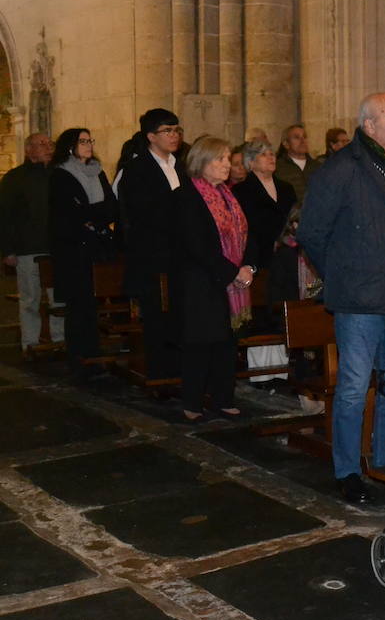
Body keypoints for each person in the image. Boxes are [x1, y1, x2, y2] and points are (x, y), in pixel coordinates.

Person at [297, 93, 385, 505]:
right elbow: (311, 233)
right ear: (369, 126)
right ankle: (348, 469)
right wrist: (343, 273)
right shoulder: (340, 168)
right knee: (354, 385)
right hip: (358, 297)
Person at [174, 136, 252, 422]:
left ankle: (223, 398)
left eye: (228, 158)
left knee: (226, 342)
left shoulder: (229, 195)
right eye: (220, 159)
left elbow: (244, 236)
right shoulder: (187, 196)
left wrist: (247, 268)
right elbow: (197, 245)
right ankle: (192, 402)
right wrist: (232, 272)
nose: (226, 165)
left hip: (228, 281)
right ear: (201, 162)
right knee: (200, 343)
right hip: (200, 281)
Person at [119, 108, 189, 380]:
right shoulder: (137, 170)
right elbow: (141, 214)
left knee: (180, 318)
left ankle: (181, 373)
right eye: (167, 131)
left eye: (177, 130)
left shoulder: (181, 166)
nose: (174, 135)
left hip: (181, 256)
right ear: (150, 136)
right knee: (157, 320)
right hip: (153, 257)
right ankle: (160, 377)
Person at [48, 128, 116, 377]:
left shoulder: (98, 171)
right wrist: (90, 215)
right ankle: (79, 357)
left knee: (92, 307)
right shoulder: (61, 175)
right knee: (78, 307)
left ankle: (94, 354)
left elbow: (110, 206)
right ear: (70, 146)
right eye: (83, 141)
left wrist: (91, 216)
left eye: (90, 141)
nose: (88, 145)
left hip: (96, 246)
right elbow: (69, 213)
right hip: (73, 251)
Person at [0, 132, 60, 352]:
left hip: (56, 248)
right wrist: (7, 250)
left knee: (59, 300)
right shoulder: (15, 178)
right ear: (29, 150)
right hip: (27, 249)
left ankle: (59, 340)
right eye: (42, 144)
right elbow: (5, 216)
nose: (48, 147)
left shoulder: (58, 174)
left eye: (50, 143)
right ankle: (30, 344)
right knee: (30, 300)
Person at [233, 139, 297, 290]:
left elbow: (295, 216)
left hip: (289, 255)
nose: (271, 158)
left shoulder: (286, 188)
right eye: (264, 155)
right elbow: (245, 227)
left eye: (272, 154)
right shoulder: (241, 191)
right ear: (251, 162)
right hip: (261, 257)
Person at [275, 124, 322, 198]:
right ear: (286, 144)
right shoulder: (277, 168)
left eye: (305, 137)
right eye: (297, 137)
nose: (303, 141)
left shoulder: (318, 167)